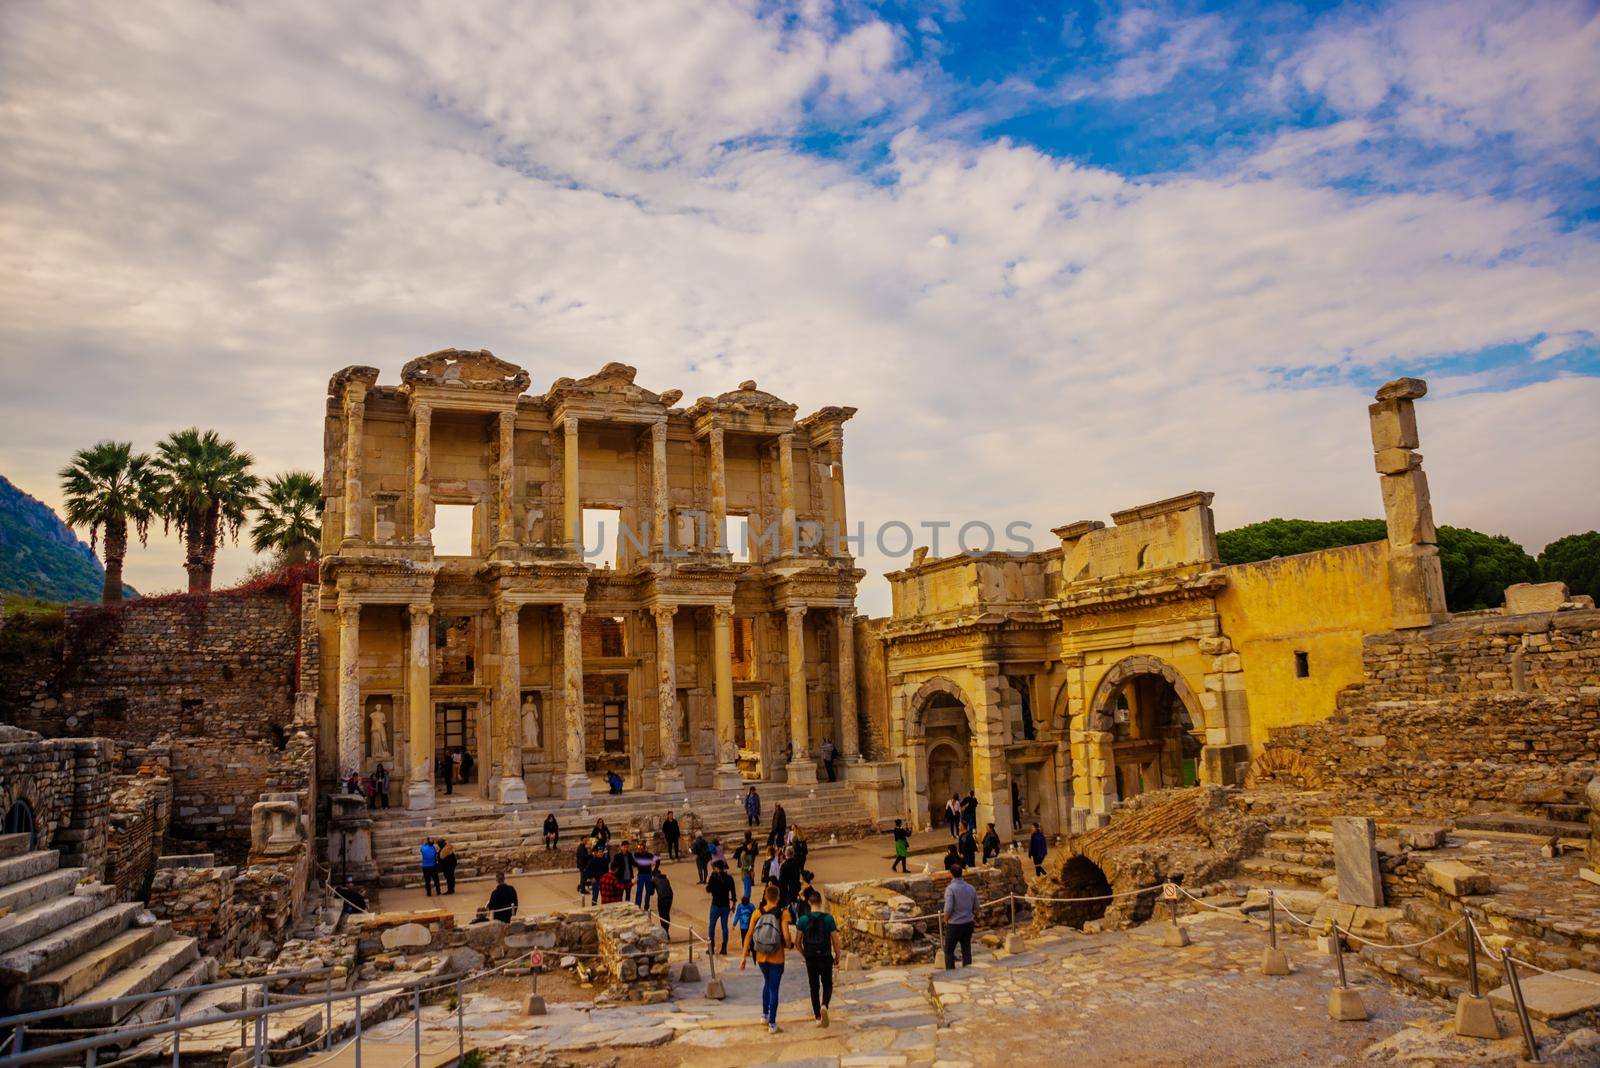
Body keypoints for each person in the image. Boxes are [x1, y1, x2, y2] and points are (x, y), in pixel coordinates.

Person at [740, 882, 795, 1034]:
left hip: (761, 956)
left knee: (767, 983)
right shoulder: (783, 913)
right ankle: (772, 1024)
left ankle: (764, 1015)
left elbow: (749, 935)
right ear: (777, 898)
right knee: (774, 988)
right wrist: (789, 944)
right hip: (777, 957)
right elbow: (786, 935)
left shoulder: (757, 913)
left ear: (765, 897)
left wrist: (744, 957)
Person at [794, 888, 841, 1027]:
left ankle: (818, 1018)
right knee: (827, 984)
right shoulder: (828, 919)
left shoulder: (803, 920)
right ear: (821, 902)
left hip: (810, 957)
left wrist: (805, 954)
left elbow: (797, 942)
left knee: (813, 987)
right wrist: (837, 955)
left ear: (809, 903)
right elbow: (835, 940)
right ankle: (825, 1005)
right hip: (825, 956)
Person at [942, 864, 978, 970]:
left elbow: (948, 908)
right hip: (968, 922)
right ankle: (968, 971)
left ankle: (950, 973)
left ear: (951, 874)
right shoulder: (971, 888)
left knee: (949, 950)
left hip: (955, 924)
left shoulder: (950, 889)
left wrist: (945, 918)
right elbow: (976, 906)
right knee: (966, 949)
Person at [706, 859, 735, 954]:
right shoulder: (729, 878)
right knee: (724, 927)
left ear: (716, 868)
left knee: (711, 926)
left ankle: (711, 947)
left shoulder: (713, 877)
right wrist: (733, 905)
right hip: (725, 905)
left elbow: (708, 889)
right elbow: (733, 893)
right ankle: (724, 947)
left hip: (715, 904)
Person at [633, 843, 657, 910]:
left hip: (648, 874)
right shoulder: (637, 855)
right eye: (639, 848)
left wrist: (655, 869)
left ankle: (646, 906)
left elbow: (657, 859)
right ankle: (638, 905)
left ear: (644, 848)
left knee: (648, 891)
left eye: (641, 848)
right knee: (639, 890)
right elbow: (634, 863)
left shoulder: (649, 855)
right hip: (640, 874)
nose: (640, 849)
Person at [735, 832, 758, 900]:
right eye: (749, 845)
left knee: (747, 889)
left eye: (751, 845)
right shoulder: (744, 854)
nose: (750, 846)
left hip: (748, 873)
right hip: (746, 874)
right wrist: (751, 870)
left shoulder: (749, 853)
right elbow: (744, 866)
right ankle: (745, 903)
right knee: (747, 890)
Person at [653, 866, 674, 937]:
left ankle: (665, 933)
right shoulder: (666, 879)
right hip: (670, 896)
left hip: (662, 898)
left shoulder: (653, 880)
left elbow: (651, 892)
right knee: (667, 914)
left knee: (662, 915)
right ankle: (667, 931)